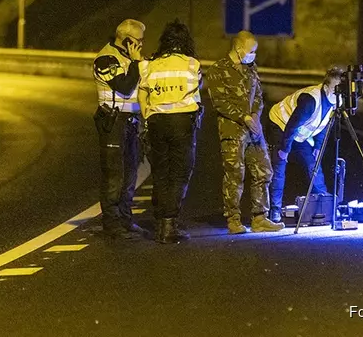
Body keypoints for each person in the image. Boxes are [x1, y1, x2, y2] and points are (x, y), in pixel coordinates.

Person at [205, 31, 284, 234]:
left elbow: (258, 94)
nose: (253, 56)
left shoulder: (251, 69)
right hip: (233, 131)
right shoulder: (218, 70)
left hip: (254, 131)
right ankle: (233, 219)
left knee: (264, 171)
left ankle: (260, 218)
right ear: (239, 49)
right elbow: (219, 102)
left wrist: (256, 114)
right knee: (234, 175)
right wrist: (244, 117)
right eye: (251, 51)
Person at [138, 20, 203, 243]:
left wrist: (147, 116)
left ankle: (160, 220)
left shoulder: (150, 64)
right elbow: (197, 89)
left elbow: (142, 94)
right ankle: (169, 224)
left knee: (160, 171)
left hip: (156, 121)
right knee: (180, 173)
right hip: (182, 122)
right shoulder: (191, 64)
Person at [267, 66, 345, 222]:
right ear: (327, 87)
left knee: (313, 164)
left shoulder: (337, 101)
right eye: (336, 88)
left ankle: (325, 203)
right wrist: (284, 149)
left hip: (301, 134)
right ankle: (274, 211)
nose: (339, 92)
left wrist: (317, 146)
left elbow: (325, 125)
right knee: (280, 166)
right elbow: (292, 124)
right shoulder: (310, 99)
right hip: (281, 125)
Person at [92, 19, 146, 240]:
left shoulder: (129, 58)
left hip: (131, 122)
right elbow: (124, 88)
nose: (142, 45)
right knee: (114, 175)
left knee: (131, 173)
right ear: (126, 40)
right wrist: (136, 63)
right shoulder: (106, 59)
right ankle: (111, 223)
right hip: (113, 122)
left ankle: (125, 218)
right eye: (138, 41)